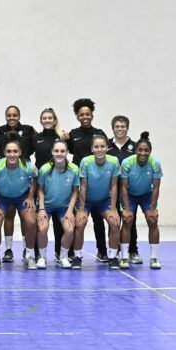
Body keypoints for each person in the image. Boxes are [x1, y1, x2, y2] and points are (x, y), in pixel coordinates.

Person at [0, 132, 38, 269]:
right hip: (2, 197)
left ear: (20, 152)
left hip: (22, 197)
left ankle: (30, 256)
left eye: (15, 151)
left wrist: (30, 196)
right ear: (4, 152)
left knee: (31, 222)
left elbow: (35, 179)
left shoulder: (28, 166)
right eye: (9, 151)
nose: (12, 154)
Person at [68, 98, 108, 262]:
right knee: (78, 219)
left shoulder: (99, 134)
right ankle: (73, 253)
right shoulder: (73, 134)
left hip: (96, 181)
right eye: (82, 114)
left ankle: (102, 251)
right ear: (78, 117)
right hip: (78, 182)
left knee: (98, 219)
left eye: (88, 114)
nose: (85, 117)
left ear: (92, 115)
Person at [0, 105, 36, 264]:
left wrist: (30, 196)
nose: (12, 117)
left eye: (15, 115)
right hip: (6, 182)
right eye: (9, 115)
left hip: (22, 182)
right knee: (8, 216)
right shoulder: (0, 131)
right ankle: (7, 250)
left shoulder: (28, 130)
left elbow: (38, 143)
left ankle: (28, 251)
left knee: (28, 220)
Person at [73, 135, 121, 270]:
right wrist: (81, 209)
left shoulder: (114, 161)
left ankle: (113, 257)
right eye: (96, 147)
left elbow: (114, 186)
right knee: (80, 223)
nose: (99, 150)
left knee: (115, 223)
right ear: (92, 149)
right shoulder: (85, 162)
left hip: (104, 201)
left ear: (107, 148)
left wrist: (113, 209)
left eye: (102, 146)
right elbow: (83, 186)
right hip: (86, 201)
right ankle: (77, 257)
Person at [119, 132, 164, 269]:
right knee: (127, 220)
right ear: (135, 150)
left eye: (146, 150)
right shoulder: (127, 163)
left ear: (150, 151)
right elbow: (123, 187)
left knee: (153, 220)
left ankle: (154, 258)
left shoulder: (155, 163)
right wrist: (127, 209)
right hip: (130, 195)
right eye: (140, 150)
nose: (143, 153)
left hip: (146, 195)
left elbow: (156, 187)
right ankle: (125, 257)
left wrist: (153, 209)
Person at [33, 107, 70, 262]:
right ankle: (38, 254)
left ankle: (60, 253)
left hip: (59, 180)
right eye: (45, 118)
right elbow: (25, 154)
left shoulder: (61, 137)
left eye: (50, 118)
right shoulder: (35, 138)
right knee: (41, 220)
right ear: (41, 121)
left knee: (59, 222)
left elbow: (69, 152)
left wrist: (67, 138)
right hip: (41, 181)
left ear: (55, 120)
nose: (47, 120)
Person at [36, 141, 79, 269]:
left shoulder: (74, 169)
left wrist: (70, 210)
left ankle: (63, 256)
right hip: (47, 206)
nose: (59, 154)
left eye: (62, 151)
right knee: (42, 228)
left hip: (64, 207)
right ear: (52, 152)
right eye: (56, 151)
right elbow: (40, 190)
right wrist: (42, 209)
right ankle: (42, 257)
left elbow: (75, 191)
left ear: (67, 152)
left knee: (69, 229)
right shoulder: (45, 169)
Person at [107, 114, 141, 264]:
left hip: (130, 191)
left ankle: (132, 251)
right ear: (112, 128)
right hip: (112, 190)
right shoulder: (106, 145)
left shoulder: (135, 146)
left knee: (130, 220)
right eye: (117, 126)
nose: (120, 129)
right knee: (113, 221)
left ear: (127, 128)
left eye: (123, 126)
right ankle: (113, 251)